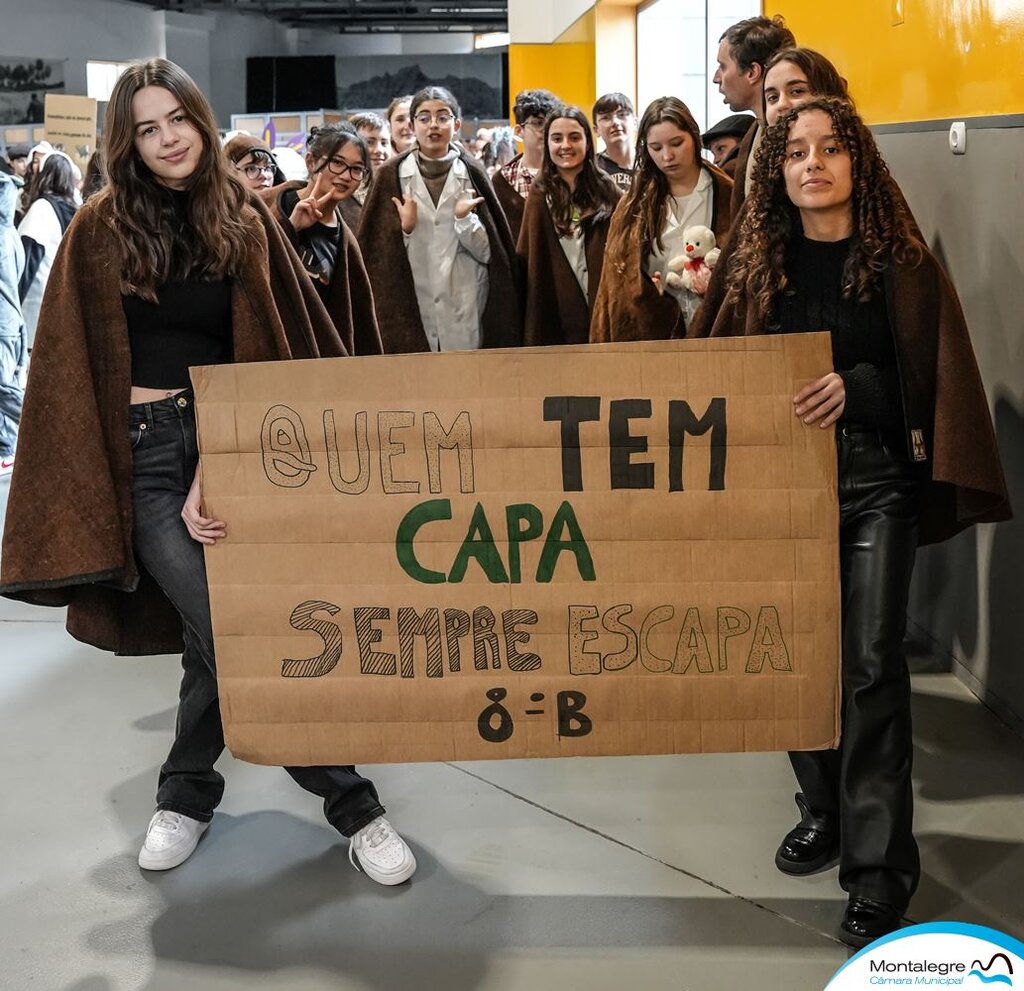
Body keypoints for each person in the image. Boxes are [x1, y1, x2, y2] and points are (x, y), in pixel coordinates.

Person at [0, 58, 415, 886]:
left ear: (199, 115)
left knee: (211, 637)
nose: (166, 140)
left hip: (238, 446)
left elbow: (273, 344)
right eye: (146, 129)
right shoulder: (100, 226)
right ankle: (355, 805)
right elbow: (69, 367)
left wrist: (228, 460)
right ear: (128, 140)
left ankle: (184, 794)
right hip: (147, 456)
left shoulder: (245, 218)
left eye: (176, 120)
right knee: (236, 631)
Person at [688, 97, 1010, 947]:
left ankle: (878, 872)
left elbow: (940, 385)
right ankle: (824, 809)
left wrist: (859, 387)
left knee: (868, 667)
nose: (813, 163)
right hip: (780, 489)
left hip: (875, 484)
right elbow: (705, 372)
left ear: (858, 163)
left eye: (832, 149)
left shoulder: (900, 261)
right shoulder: (758, 264)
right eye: (795, 152)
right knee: (796, 659)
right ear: (777, 171)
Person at [357, 85, 521, 353]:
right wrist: (406, 230)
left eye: (442, 117)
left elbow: (492, 255)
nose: (433, 125)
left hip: (466, 304)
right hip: (411, 307)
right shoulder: (391, 175)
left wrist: (464, 220)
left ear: (456, 124)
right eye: (424, 118)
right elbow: (377, 259)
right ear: (412, 125)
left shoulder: (473, 173)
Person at [591, 97, 733, 343]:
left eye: (677, 143)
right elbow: (612, 290)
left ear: (694, 137)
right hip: (652, 336)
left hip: (718, 332)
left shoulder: (727, 195)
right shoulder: (633, 205)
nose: (668, 156)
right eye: (656, 148)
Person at [265, 123, 380, 356]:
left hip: (323, 366)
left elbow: (356, 320)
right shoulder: (272, 207)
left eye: (357, 169)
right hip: (276, 357)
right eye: (337, 163)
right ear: (311, 162)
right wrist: (290, 228)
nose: (346, 176)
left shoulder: (345, 239)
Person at [518, 106, 620, 346]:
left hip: (603, 308)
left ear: (587, 141)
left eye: (574, 137)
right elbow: (529, 258)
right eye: (556, 138)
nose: (566, 145)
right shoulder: (539, 192)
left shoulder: (607, 189)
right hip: (557, 312)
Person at [712, 14, 796, 214]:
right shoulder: (757, 130)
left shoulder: (796, 137)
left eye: (723, 66)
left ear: (752, 72)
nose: (716, 78)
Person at [17, 151, 78, 351]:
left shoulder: (41, 209)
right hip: (65, 309)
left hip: (35, 311)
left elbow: (26, 266)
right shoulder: (78, 211)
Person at [493, 88, 559, 242]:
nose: (545, 130)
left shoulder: (568, 174)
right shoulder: (503, 180)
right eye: (538, 123)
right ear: (519, 131)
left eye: (551, 123)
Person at [0, 171, 25, 476]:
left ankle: (42, 422)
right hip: (9, 320)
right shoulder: (10, 233)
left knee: (3, 386)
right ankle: (7, 446)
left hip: (3, 322)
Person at [592, 92, 636, 192]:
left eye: (622, 115)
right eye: (606, 117)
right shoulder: (592, 168)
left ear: (635, 123)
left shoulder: (650, 162)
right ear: (596, 130)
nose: (615, 122)